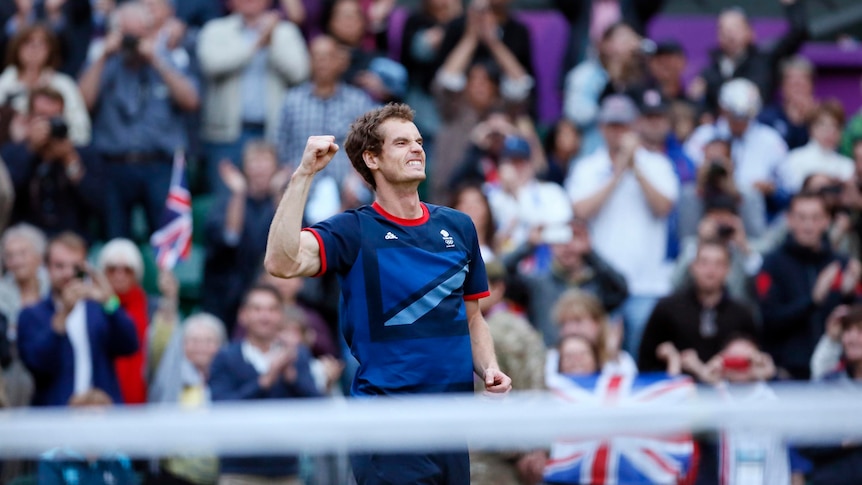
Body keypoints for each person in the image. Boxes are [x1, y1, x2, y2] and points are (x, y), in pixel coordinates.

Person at [264, 103, 512, 484]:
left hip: (452, 425)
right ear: (372, 158)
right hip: (388, 429)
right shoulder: (353, 229)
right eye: (401, 143)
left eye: (418, 141)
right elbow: (282, 262)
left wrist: (489, 368)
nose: (417, 148)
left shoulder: (459, 227)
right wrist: (304, 175)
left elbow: (474, 318)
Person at [566, 94, 679, 359]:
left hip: (647, 283)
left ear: (635, 127)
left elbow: (663, 207)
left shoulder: (657, 164)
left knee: (642, 358)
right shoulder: (587, 167)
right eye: (612, 126)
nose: (618, 133)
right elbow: (580, 211)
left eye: (624, 126)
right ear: (602, 128)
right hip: (602, 283)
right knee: (601, 357)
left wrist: (635, 167)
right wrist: (617, 173)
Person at [78, 1, 199, 239]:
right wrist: (103, 54)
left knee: (166, 241)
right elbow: (81, 102)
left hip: (160, 164)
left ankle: (166, 279)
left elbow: (191, 101)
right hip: (114, 165)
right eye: (127, 34)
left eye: (138, 34)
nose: (132, 42)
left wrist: (156, 59)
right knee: (115, 240)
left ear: (151, 31)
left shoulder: (169, 59)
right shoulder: (106, 62)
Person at [209, 284, 319, 484]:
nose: (264, 316)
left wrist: (292, 377)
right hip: (237, 472)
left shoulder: (297, 355)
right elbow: (220, 409)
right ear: (243, 315)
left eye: (271, 309)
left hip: (288, 472)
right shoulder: (225, 357)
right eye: (257, 309)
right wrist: (264, 381)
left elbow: (318, 406)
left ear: (281, 315)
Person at [198, 0, 309, 193]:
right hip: (226, 135)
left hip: (273, 134)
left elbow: (299, 73)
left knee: (274, 201)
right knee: (227, 198)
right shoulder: (216, 29)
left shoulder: (285, 31)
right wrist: (257, 42)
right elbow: (211, 65)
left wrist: (272, 42)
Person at [17, 232, 139, 406]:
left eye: (75, 267)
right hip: (55, 418)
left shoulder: (99, 310)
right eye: (59, 266)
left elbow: (130, 344)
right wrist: (63, 316)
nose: (68, 274)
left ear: (86, 268)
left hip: (102, 415)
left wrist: (110, 301)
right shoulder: (32, 314)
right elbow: (37, 364)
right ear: (47, 268)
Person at [756, 192, 860, 380]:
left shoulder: (842, 263)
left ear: (827, 221)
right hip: (787, 374)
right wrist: (812, 300)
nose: (808, 225)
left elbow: (855, 321)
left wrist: (849, 295)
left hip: (836, 375)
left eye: (815, 218)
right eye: (801, 217)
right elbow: (769, 320)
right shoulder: (771, 264)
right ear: (789, 220)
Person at [275, 34, 376, 220]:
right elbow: (282, 147)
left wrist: (359, 178)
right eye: (317, 56)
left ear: (340, 62)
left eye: (328, 56)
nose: (322, 62)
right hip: (303, 188)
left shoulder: (358, 101)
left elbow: (370, 145)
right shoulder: (292, 101)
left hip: (350, 189)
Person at [470, 260, 545, 485]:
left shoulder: (503, 330)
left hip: (497, 456)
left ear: (499, 287)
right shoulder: (514, 326)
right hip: (501, 448)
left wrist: (527, 448)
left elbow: (532, 390)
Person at [503, 218, 628, 347]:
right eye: (560, 240)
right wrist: (529, 245)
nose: (567, 246)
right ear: (550, 245)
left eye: (575, 238)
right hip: (547, 360)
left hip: (591, 362)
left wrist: (590, 253)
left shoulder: (598, 284)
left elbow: (621, 289)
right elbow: (498, 277)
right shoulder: (536, 284)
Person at [638, 239, 759, 374]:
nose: (711, 270)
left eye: (718, 264)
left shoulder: (742, 313)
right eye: (704, 263)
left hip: (729, 390)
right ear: (692, 266)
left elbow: (755, 360)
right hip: (677, 388)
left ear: (728, 269)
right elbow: (646, 361)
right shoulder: (667, 308)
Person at [2, 86, 104, 239]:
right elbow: (7, 194)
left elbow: (98, 203)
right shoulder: (12, 152)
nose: (49, 125)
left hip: (70, 237)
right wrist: (31, 150)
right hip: (27, 237)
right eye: (42, 117)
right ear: (29, 118)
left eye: (55, 117)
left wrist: (70, 161)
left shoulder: (84, 154)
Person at [685, 78, 789, 211]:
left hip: (758, 209)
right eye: (735, 115)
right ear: (723, 109)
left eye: (746, 116)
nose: (740, 122)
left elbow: (787, 185)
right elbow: (687, 177)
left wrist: (772, 189)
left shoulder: (771, 139)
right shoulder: (703, 136)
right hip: (709, 207)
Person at [149, 308, 226, 485]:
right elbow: (160, 342)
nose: (201, 348)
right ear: (182, 345)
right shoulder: (168, 377)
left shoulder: (229, 379)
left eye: (209, 341)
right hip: (174, 475)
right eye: (193, 341)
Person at [693, 0, 808, 117]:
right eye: (724, 29)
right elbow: (701, 105)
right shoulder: (709, 72)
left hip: (760, 126)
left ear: (750, 32)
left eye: (735, 27)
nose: (730, 34)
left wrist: (792, 5)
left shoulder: (765, 59)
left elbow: (798, 33)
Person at [0, 24, 91, 145]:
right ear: (17, 47)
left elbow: (81, 131)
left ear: (50, 50)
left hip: (53, 152)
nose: (34, 49)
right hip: (9, 154)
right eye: (28, 43)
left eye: (41, 44)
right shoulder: (4, 83)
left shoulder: (63, 85)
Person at [96, 238, 150, 405]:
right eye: (112, 269)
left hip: (140, 395)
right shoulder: (90, 305)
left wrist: (170, 300)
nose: (119, 275)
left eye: (127, 270)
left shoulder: (150, 307)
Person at [781, 100, 854, 193]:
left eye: (835, 126)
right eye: (823, 126)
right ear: (811, 128)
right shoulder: (794, 159)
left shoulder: (848, 166)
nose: (830, 132)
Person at [758, 55, 818, 150]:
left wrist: (811, 120)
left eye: (802, 84)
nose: (798, 89)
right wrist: (793, 124)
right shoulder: (768, 117)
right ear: (782, 87)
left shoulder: (821, 115)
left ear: (811, 86)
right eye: (793, 83)